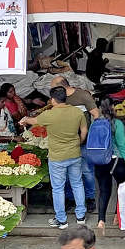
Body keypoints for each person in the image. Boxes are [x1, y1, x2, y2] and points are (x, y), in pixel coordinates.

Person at [24, 86, 88, 229]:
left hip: (57, 157)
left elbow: (33, 121)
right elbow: (84, 130)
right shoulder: (77, 112)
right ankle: (81, 216)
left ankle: (62, 220)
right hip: (75, 154)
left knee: (58, 188)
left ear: (52, 100)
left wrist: (25, 119)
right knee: (77, 184)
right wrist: (79, 142)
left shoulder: (49, 114)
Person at [50, 75, 100, 204]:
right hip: (65, 143)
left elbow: (96, 115)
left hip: (83, 142)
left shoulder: (83, 96)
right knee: (66, 174)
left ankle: (89, 197)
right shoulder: (57, 99)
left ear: (61, 87)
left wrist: (92, 138)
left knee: (86, 171)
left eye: (53, 88)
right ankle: (70, 198)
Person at [91, 99, 125, 229]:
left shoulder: (94, 123)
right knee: (122, 189)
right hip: (117, 161)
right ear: (113, 107)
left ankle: (101, 220)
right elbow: (122, 144)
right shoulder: (117, 123)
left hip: (100, 161)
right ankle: (117, 216)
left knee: (104, 190)